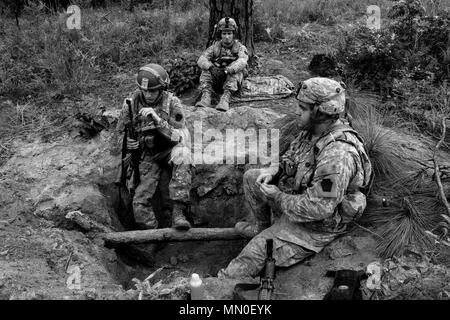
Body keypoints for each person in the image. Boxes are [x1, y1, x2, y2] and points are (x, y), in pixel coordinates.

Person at [219, 77, 373, 279]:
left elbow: (320, 208)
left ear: (320, 113)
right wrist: (274, 170)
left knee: (248, 259)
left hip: (316, 226)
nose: (297, 112)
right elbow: (291, 157)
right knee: (252, 177)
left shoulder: (338, 155)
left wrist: (278, 197)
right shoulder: (312, 132)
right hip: (298, 199)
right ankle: (263, 229)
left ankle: (221, 285)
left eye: (303, 108)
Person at [116, 63, 192, 230]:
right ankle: (155, 238)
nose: (148, 95)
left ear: (162, 89)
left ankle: (178, 213)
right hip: (146, 155)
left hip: (168, 150)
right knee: (139, 203)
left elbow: (181, 136)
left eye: (153, 91)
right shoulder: (131, 104)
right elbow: (119, 133)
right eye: (145, 91)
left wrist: (157, 120)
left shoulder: (172, 103)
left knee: (183, 153)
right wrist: (127, 143)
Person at [196, 17, 249, 112]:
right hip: (217, 78)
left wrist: (228, 70)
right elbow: (201, 59)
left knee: (237, 72)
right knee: (205, 70)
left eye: (229, 33)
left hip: (231, 79)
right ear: (220, 34)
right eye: (224, 33)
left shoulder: (240, 47)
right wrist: (211, 67)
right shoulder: (215, 47)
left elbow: (242, 61)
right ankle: (206, 97)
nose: (227, 37)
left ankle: (225, 99)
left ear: (233, 34)